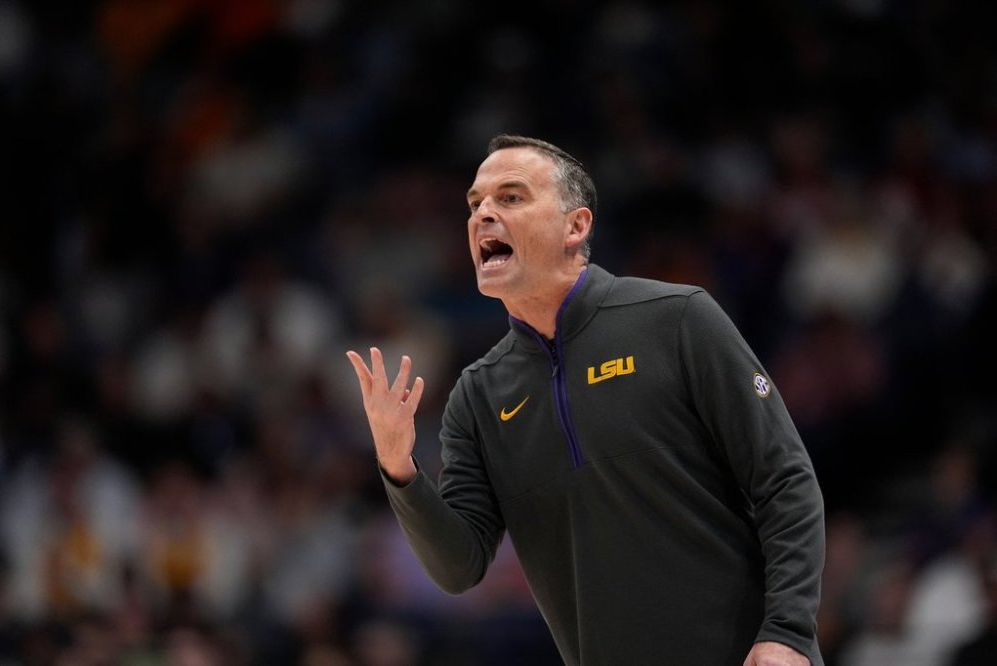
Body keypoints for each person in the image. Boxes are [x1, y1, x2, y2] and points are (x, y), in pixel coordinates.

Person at [346, 135, 825, 665]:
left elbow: (784, 478)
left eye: (510, 197)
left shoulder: (678, 319)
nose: (483, 213)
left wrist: (787, 631)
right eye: (475, 202)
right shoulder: (478, 396)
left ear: (576, 227)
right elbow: (460, 568)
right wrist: (399, 469)